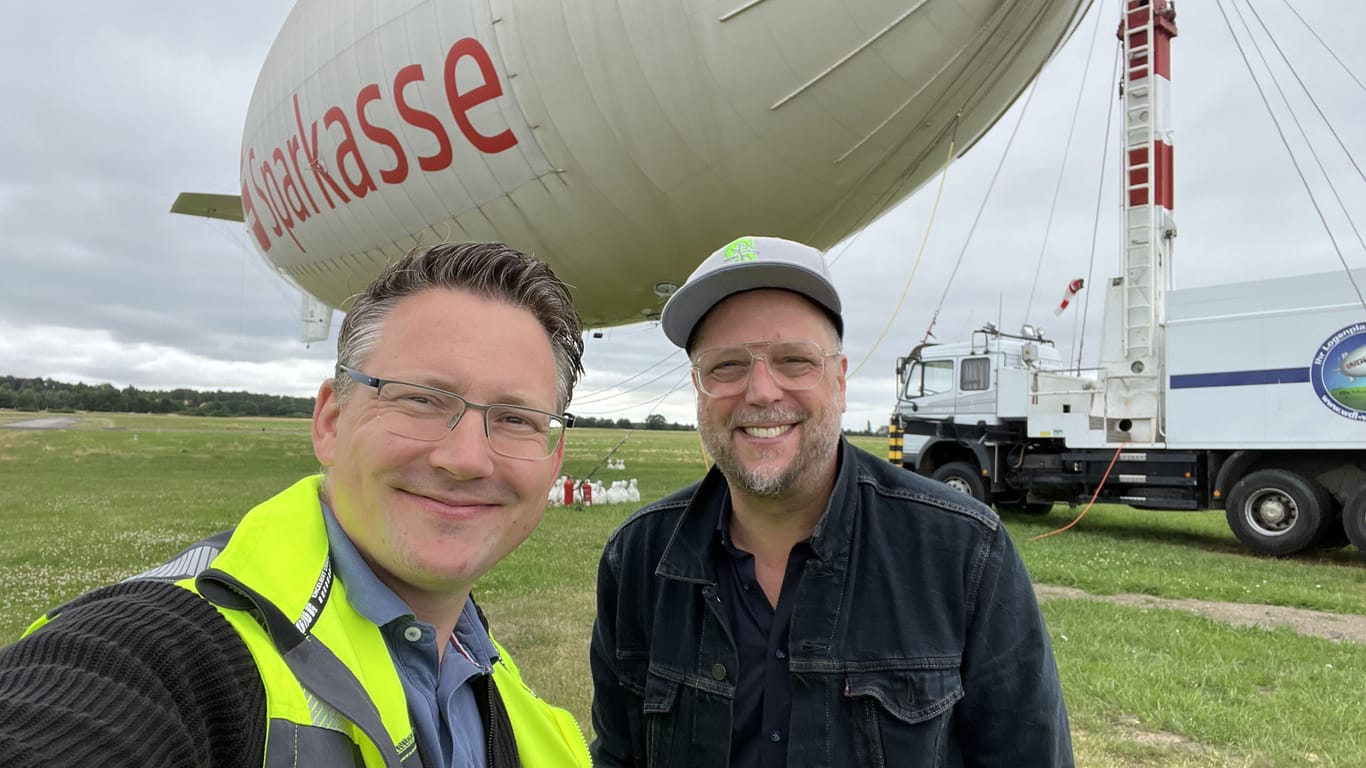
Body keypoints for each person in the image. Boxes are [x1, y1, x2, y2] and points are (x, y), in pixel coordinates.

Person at [0, 243, 592, 767]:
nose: (465, 459)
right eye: (420, 400)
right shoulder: (173, 650)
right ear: (331, 422)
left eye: (516, 419)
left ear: (554, 457)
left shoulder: (525, 713)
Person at [589, 236, 1073, 767]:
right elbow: (619, 754)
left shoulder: (963, 552)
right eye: (726, 366)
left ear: (840, 383)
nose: (761, 391)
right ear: (698, 389)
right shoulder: (638, 558)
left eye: (794, 361)